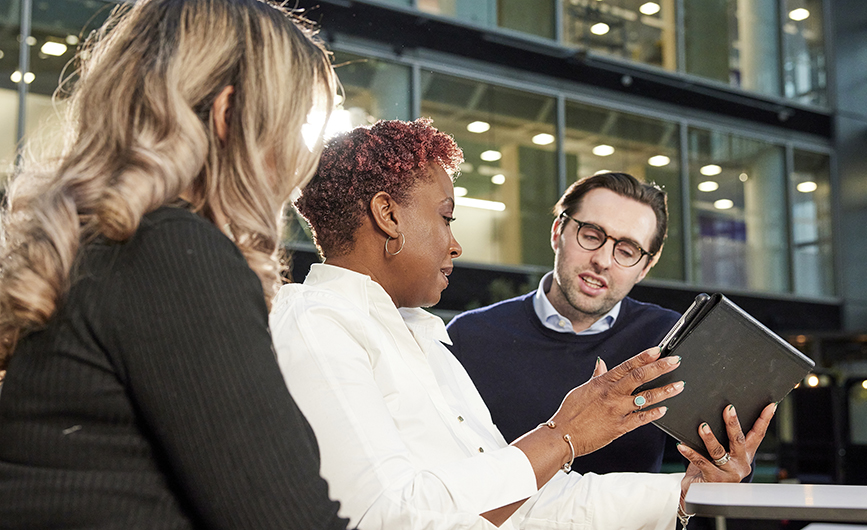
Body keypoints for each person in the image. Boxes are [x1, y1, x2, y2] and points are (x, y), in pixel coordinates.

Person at [270, 118, 776, 530]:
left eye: (626, 249)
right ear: (388, 214)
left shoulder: (419, 337)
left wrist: (688, 493)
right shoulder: (315, 324)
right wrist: (564, 435)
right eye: (446, 217)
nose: (455, 242)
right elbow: (385, 518)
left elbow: (528, 501)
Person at [0, 1, 349, 528]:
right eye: (295, 123)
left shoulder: (104, 247)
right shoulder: (173, 255)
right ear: (229, 114)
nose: (302, 159)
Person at [446, 172, 680, 474]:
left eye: (626, 251)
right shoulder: (468, 337)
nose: (603, 260)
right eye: (592, 235)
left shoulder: (667, 340)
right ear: (558, 232)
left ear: (645, 267)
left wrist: (728, 473)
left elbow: (708, 473)